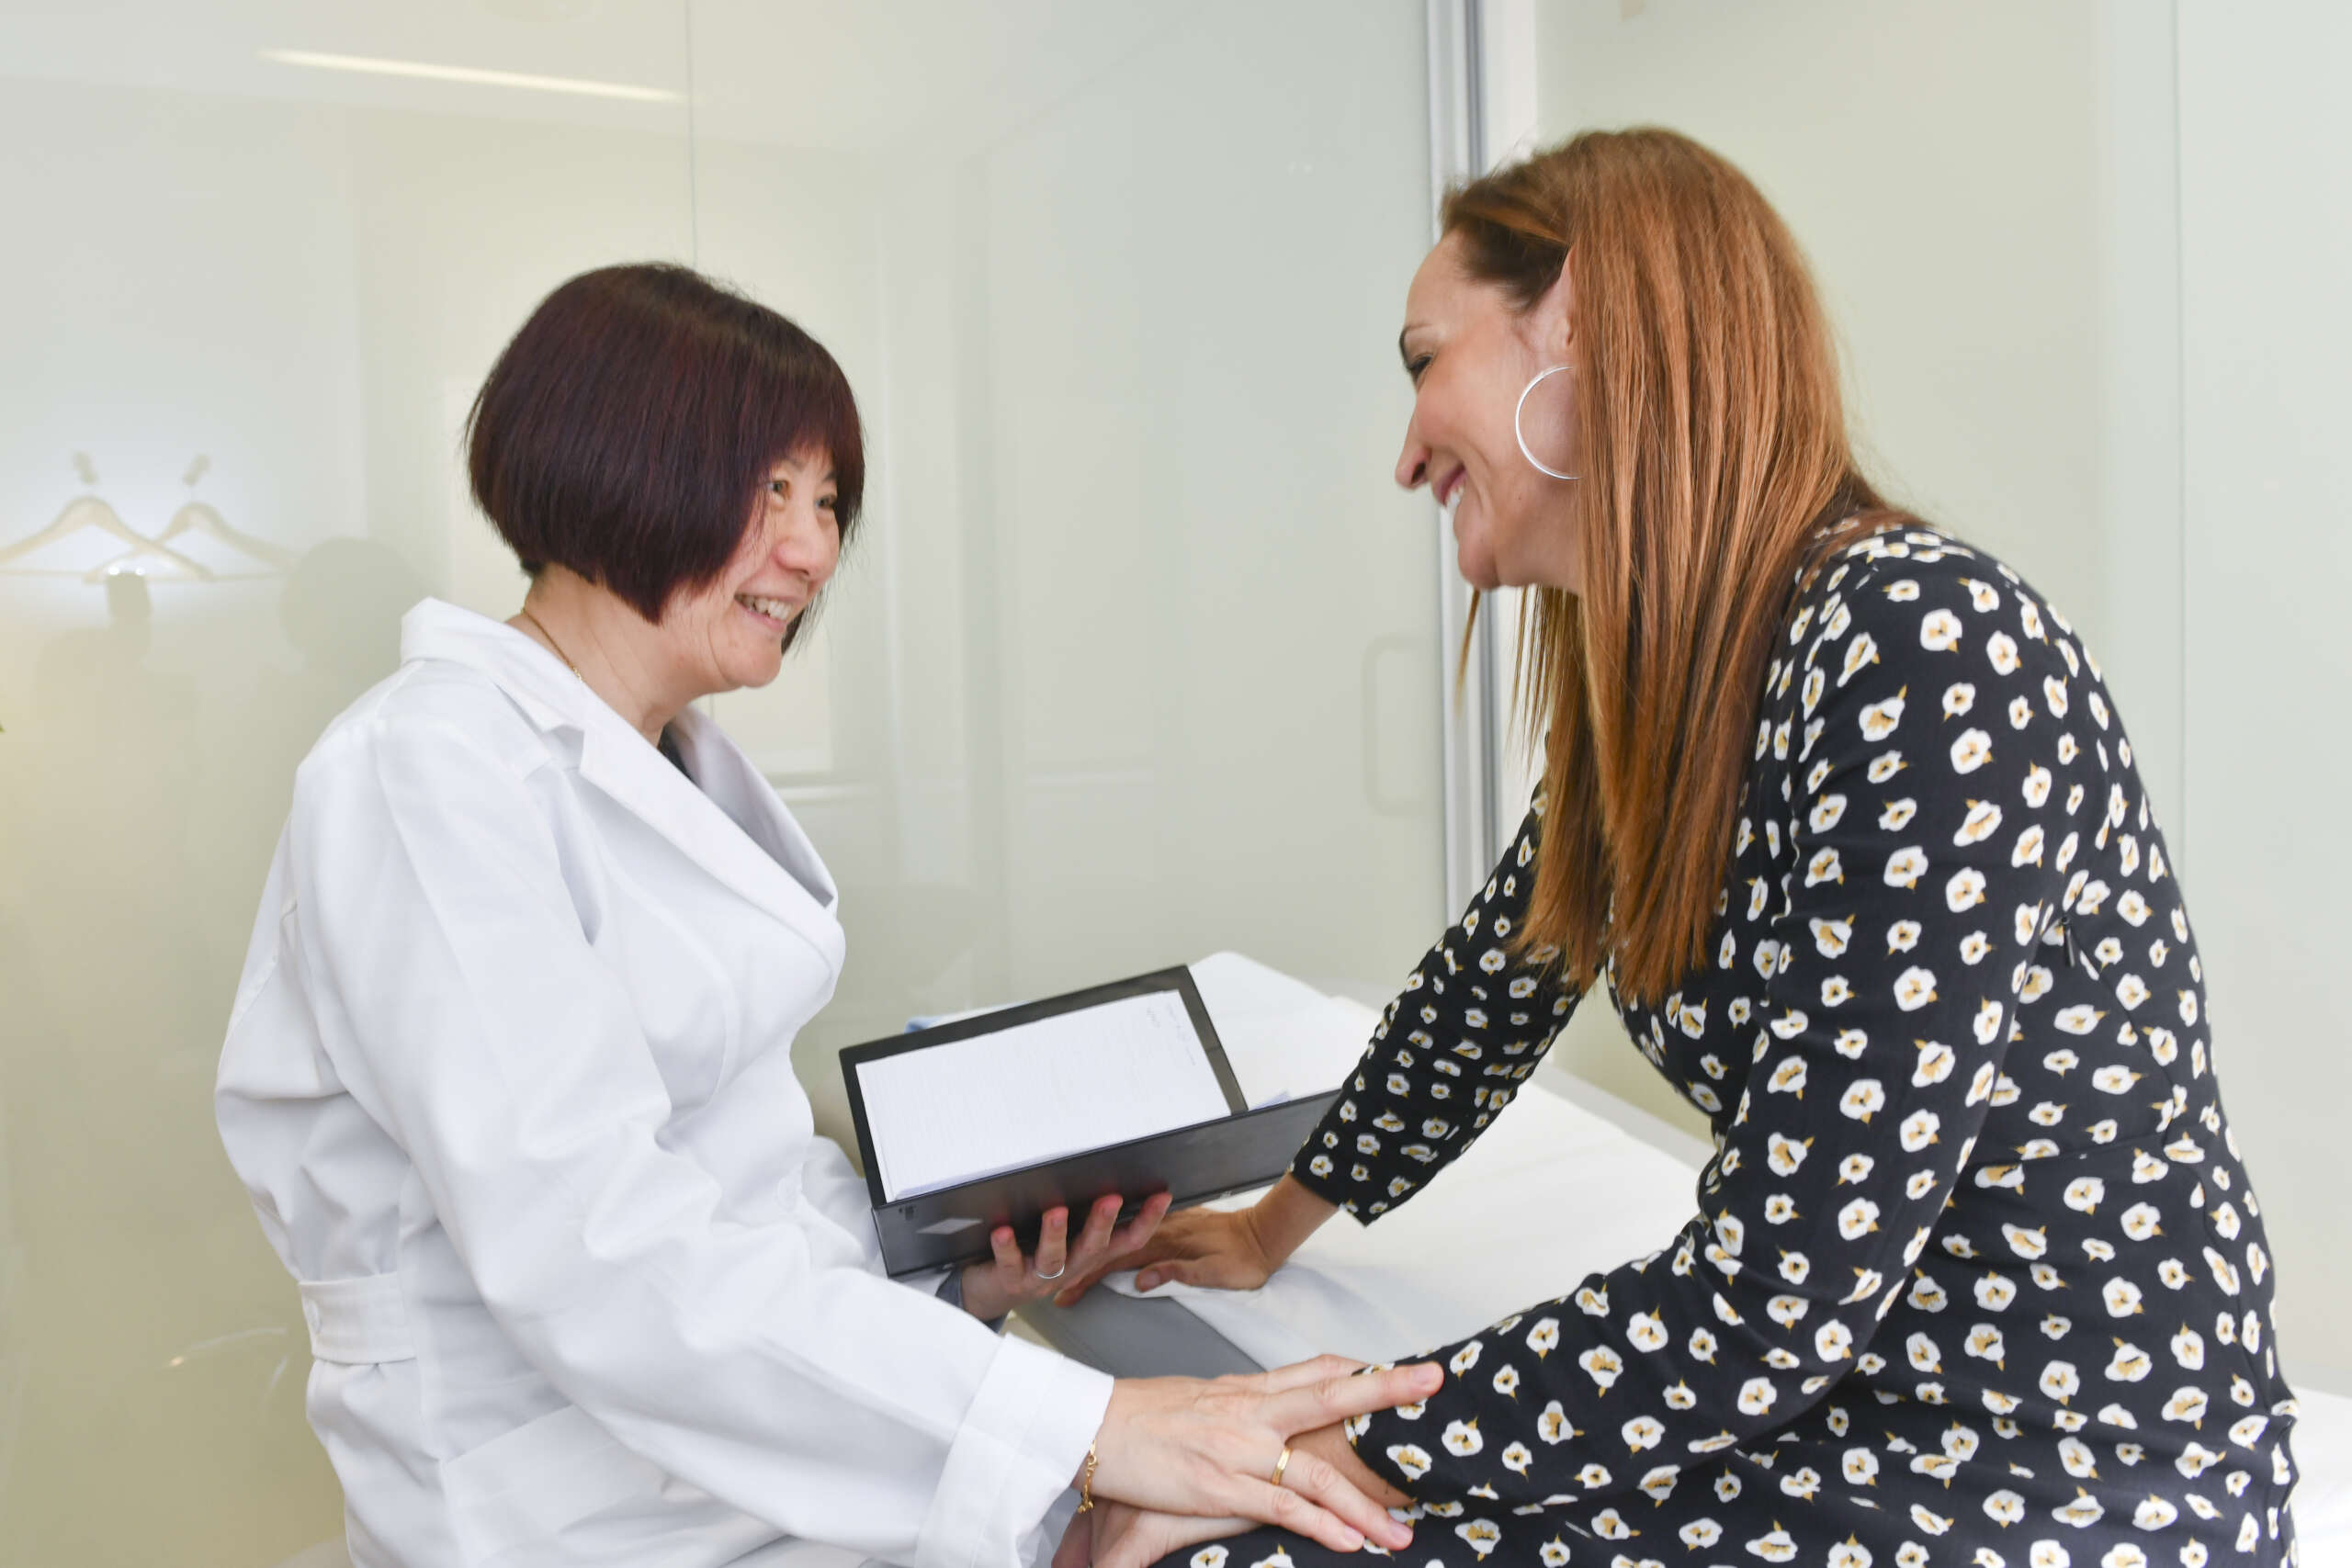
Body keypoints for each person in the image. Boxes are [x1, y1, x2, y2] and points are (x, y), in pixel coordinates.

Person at [1059, 130, 2301, 1567]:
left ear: (1577, 327)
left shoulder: (1921, 647)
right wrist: (1276, 1230)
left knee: (1240, 1548)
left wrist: (1337, 1442)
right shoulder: (1680, 698)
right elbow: (1490, 989)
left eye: (1420, 361)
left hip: (2067, 1456)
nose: (1404, 455)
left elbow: (1781, 1289)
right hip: (1839, 1397)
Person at [214, 263, 1440, 1568]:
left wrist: (959, 1277)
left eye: (827, 500)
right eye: (768, 491)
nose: (811, 549)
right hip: (577, 1506)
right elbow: (603, 1260)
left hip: (750, 1458)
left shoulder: (657, 755)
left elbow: (741, 1179)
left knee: (1306, 1515)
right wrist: (1087, 1430)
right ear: (600, 463)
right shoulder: (427, 774)